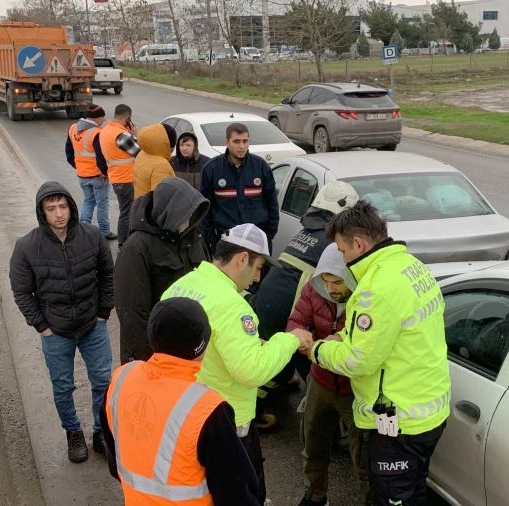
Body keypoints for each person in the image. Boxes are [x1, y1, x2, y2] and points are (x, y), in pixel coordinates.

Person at [305, 201, 451, 506]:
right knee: (413, 490)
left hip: (399, 422)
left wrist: (317, 349)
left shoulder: (375, 288)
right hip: (429, 410)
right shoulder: (411, 266)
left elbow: (358, 361)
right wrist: (344, 335)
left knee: (394, 497)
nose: (343, 261)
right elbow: (388, 332)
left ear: (359, 243)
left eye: (343, 252)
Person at [161, 223, 314, 504]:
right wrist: (289, 340)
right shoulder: (232, 306)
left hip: (181, 415)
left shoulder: (181, 287)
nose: (257, 278)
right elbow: (251, 370)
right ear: (242, 258)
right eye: (257, 268)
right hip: (227, 426)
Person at [102, 297, 261, 506]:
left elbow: (115, 458)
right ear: (202, 346)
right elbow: (235, 493)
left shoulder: (121, 379)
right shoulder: (208, 409)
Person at [9, 182, 114, 463]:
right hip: (56, 331)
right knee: (63, 386)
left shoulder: (92, 237)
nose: (59, 213)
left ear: (71, 207)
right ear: (42, 213)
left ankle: (100, 432)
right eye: (51, 208)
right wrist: (42, 326)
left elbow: (107, 276)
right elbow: (22, 291)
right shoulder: (27, 247)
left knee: (104, 380)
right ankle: (73, 432)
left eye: (63, 206)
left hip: (93, 324)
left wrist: (103, 313)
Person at [250, 181, 359, 429]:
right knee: (282, 358)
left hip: (269, 296)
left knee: (276, 353)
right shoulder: (331, 241)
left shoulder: (309, 232)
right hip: (288, 304)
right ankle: (254, 413)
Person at [289, 243, 370, 506]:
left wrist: (331, 343)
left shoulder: (368, 299)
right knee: (312, 444)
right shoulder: (313, 290)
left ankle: (369, 500)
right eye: (326, 281)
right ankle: (315, 495)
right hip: (320, 381)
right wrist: (298, 337)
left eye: (337, 282)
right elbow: (296, 321)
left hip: (355, 389)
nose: (331, 289)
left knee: (364, 456)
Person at [115, 177, 210, 363]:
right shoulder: (136, 249)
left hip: (190, 352)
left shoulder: (193, 236)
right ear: (167, 212)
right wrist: (154, 362)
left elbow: (209, 278)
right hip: (152, 355)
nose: (189, 220)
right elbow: (132, 315)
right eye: (184, 214)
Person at [199, 122, 279, 254]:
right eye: (236, 141)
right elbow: (204, 210)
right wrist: (213, 241)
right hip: (227, 242)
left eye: (245, 141)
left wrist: (269, 234)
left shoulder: (261, 167)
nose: (241, 146)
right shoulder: (212, 169)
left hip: (257, 240)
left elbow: (272, 204)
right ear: (227, 142)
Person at [65, 104, 116, 240]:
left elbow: (69, 153)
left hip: (82, 175)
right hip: (98, 176)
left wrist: (78, 166)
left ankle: (82, 229)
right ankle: (105, 232)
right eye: (102, 117)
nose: (104, 119)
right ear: (96, 118)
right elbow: (101, 157)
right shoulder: (96, 133)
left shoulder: (73, 129)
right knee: (102, 204)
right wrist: (105, 172)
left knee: (88, 201)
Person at [96, 104, 139, 248]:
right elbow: (139, 152)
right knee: (127, 213)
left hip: (116, 178)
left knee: (124, 211)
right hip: (127, 179)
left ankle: (124, 242)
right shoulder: (122, 135)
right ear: (128, 117)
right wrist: (135, 135)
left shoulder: (105, 131)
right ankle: (125, 244)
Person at [133, 123, 176, 199]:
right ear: (167, 144)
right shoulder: (161, 165)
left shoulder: (143, 153)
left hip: (140, 204)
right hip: (150, 209)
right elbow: (160, 198)